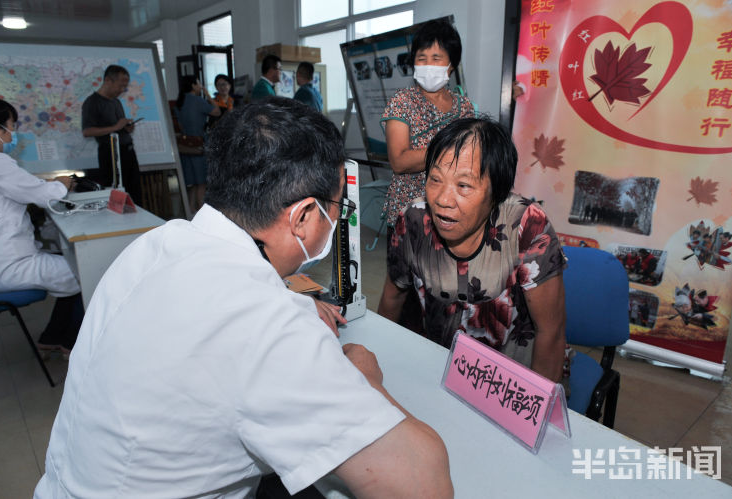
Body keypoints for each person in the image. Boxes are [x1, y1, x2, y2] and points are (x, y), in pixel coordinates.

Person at [35, 97, 452, 498]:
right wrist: (366, 380)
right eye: (336, 208)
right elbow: (421, 484)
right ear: (305, 216)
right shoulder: (267, 325)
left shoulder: (157, 243)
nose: (336, 219)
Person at [378, 116, 569, 384]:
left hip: (512, 382)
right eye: (435, 179)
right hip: (437, 369)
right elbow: (392, 299)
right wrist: (379, 361)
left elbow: (551, 331)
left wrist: (533, 414)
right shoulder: (412, 221)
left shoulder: (526, 227)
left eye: (464, 185)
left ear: (497, 192)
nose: (443, 200)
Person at [380, 18, 475, 332]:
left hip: (451, 210)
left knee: (444, 291)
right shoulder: (402, 102)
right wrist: (446, 146)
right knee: (402, 291)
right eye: (421, 58)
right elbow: (400, 160)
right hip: (410, 214)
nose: (428, 65)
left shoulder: (464, 107)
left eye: (437, 58)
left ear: (452, 64)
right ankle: (388, 343)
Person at [0, 96, 83, 357]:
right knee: (89, 273)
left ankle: (52, 337)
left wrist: (48, 186)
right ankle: (72, 346)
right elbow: (43, 196)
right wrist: (62, 183)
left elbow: (22, 188)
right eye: (10, 127)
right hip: (7, 265)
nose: (12, 135)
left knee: (71, 265)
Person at [81, 64, 142, 205]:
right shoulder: (92, 102)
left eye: (124, 87)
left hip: (127, 152)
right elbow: (87, 131)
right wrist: (115, 127)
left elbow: (118, 127)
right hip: (110, 154)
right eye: (120, 86)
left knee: (134, 192)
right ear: (108, 81)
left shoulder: (116, 102)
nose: (122, 90)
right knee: (116, 194)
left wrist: (126, 128)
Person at [175, 75, 220, 213]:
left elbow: (181, 126)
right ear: (194, 85)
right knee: (201, 182)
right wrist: (208, 95)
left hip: (185, 145)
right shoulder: (198, 101)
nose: (200, 86)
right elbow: (217, 112)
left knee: (192, 183)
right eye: (199, 83)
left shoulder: (180, 102)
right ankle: (201, 212)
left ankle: (190, 212)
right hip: (199, 143)